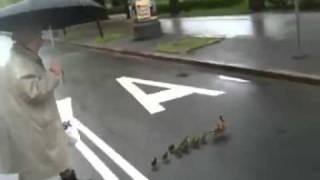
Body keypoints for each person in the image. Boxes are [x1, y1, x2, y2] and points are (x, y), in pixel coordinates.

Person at [0, 27, 78, 180]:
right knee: (43, 165)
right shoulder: (20, 62)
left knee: (57, 161)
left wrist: (49, 73)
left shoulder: (25, 57)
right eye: (38, 34)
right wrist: (54, 74)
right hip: (36, 126)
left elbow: (32, 82)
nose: (42, 38)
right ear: (29, 38)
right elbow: (34, 91)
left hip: (37, 123)